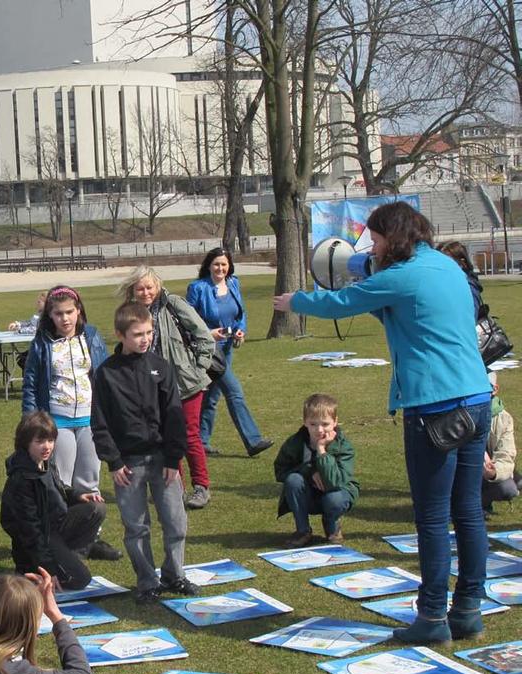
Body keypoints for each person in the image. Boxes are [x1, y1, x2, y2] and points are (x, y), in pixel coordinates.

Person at [274, 201, 492, 645]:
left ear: (393, 237)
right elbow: (403, 312)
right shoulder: (445, 267)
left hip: (435, 407)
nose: (371, 246)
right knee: (468, 511)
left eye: (375, 239)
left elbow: (342, 303)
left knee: (432, 517)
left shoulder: (400, 274)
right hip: (477, 399)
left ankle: (432, 617)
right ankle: (468, 608)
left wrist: (294, 300)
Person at [92, 302, 199, 605]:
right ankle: (147, 581)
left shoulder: (160, 367)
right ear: (120, 335)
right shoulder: (106, 374)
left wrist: (173, 458)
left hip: (163, 460)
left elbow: (174, 416)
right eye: (137, 334)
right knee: (136, 526)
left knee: (176, 522)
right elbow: (100, 422)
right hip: (128, 464)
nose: (145, 338)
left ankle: (174, 574)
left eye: (149, 332)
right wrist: (113, 461)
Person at [119, 265, 216, 509]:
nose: (145, 292)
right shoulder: (132, 313)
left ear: (158, 285)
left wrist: (198, 368)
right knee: (166, 438)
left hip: (185, 384)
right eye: (140, 288)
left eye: (149, 287)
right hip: (152, 386)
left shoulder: (173, 304)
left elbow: (204, 335)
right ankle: (176, 488)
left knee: (189, 435)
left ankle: (201, 486)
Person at [1, 411, 110, 591]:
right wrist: (48, 569)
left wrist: (76, 496)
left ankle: (68, 558)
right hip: (40, 537)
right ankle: (32, 570)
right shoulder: (22, 478)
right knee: (81, 579)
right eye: (40, 442)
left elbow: (56, 489)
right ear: (25, 443)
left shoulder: (45, 462)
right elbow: (30, 530)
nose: (47, 447)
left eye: (51, 441)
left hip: (55, 526)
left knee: (96, 509)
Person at [21, 286, 110, 501]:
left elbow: (106, 376)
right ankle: (63, 526)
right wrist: (31, 421)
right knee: (61, 481)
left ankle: (90, 528)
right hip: (57, 421)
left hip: (90, 420)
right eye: (58, 313)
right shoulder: (42, 343)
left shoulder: (92, 336)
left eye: (69, 312)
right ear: (50, 315)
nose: (65, 318)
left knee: (89, 481)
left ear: (78, 310)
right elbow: (31, 383)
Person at [187, 247, 274, 457]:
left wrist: (240, 331)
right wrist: (209, 333)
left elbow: (240, 313)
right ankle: (253, 441)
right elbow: (187, 320)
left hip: (226, 350)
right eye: (216, 264)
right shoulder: (198, 288)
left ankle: (200, 442)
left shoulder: (234, 283)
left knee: (212, 397)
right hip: (208, 351)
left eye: (224, 264)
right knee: (234, 392)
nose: (220, 268)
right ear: (208, 265)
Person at [273, 394, 359, 547]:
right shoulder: (295, 442)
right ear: (305, 422)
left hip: (336, 494)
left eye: (325, 424)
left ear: (335, 422)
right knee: (293, 480)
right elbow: (280, 471)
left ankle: (332, 525)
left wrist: (321, 450)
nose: (319, 430)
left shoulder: (344, 446)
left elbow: (335, 482)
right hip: (308, 495)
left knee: (333, 499)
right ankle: (303, 530)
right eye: (313, 424)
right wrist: (309, 471)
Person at [483, 372, 518, 517]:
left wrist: (493, 472)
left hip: (484, 473)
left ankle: (480, 503)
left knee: (508, 488)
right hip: (460, 471)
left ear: (494, 389)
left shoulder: (504, 419)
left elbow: (506, 455)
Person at [437, 240, 484, 320]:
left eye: (446, 262)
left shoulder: (469, 287)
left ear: (461, 263)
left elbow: (470, 320)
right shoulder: (440, 284)